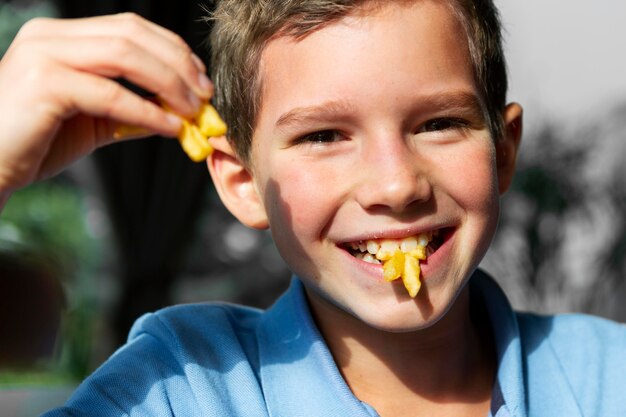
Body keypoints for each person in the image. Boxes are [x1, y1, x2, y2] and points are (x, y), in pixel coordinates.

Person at [0, 2, 623, 416]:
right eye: (323, 136)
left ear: (504, 151)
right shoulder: (178, 387)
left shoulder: (605, 378)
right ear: (243, 182)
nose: (395, 184)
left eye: (438, 123)